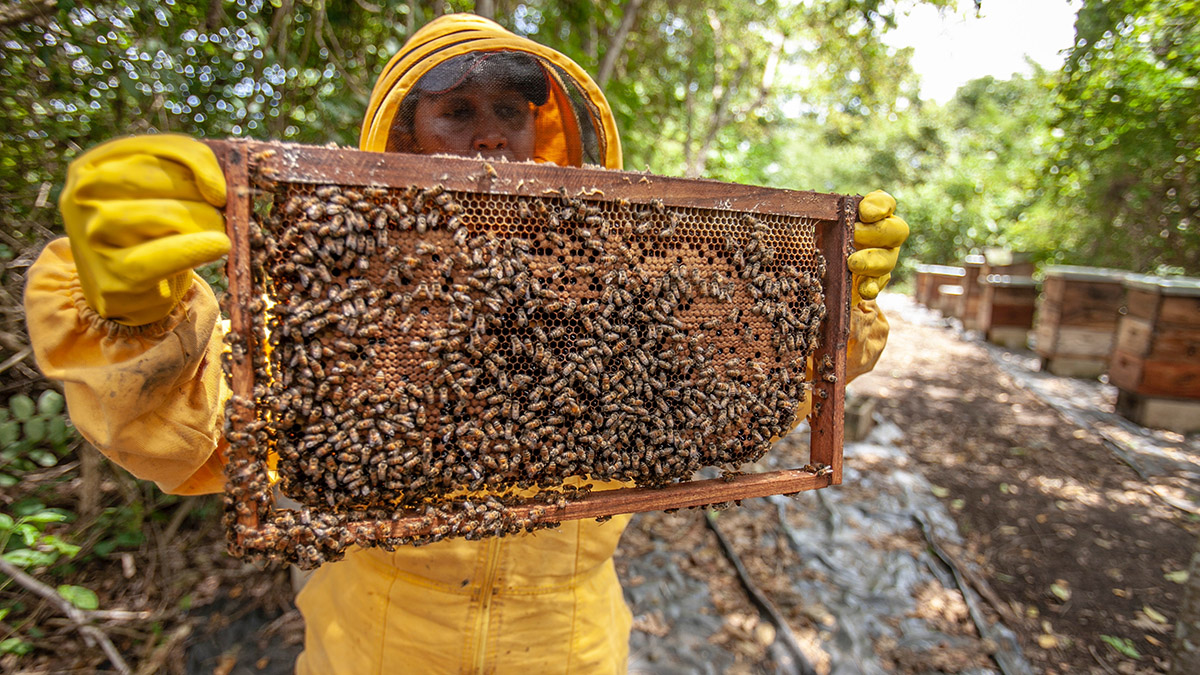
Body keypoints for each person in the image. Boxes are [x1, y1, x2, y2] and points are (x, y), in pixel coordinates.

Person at [24, 13, 907, 673]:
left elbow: (736, 399)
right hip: (376, 648)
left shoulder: (627, 284)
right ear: (402, 135)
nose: (491, 135)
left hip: (568, 649)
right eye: (457, 111)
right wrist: (133, 318)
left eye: (512, 112)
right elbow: (202, 435)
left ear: (545, 134)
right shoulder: (346, 296)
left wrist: (832, 313)